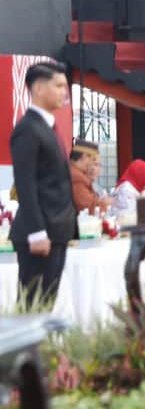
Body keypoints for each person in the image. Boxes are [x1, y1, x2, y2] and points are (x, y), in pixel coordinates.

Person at [9, 62, 75, 305]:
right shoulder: (28, 129)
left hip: (56, 231)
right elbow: (25, 184)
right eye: (58, 86)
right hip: (39, 234)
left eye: (65, 86)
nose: (64, 93)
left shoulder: (48, 127)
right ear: (38, 88)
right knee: (32, 306)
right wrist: (37, 232)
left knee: (45, 304)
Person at [69, 140, 112, 216]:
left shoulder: (73, 172)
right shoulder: (77, 177)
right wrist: (105, 203)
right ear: (85, 157)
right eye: (93, 160)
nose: (92, 166)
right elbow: (88, 207)